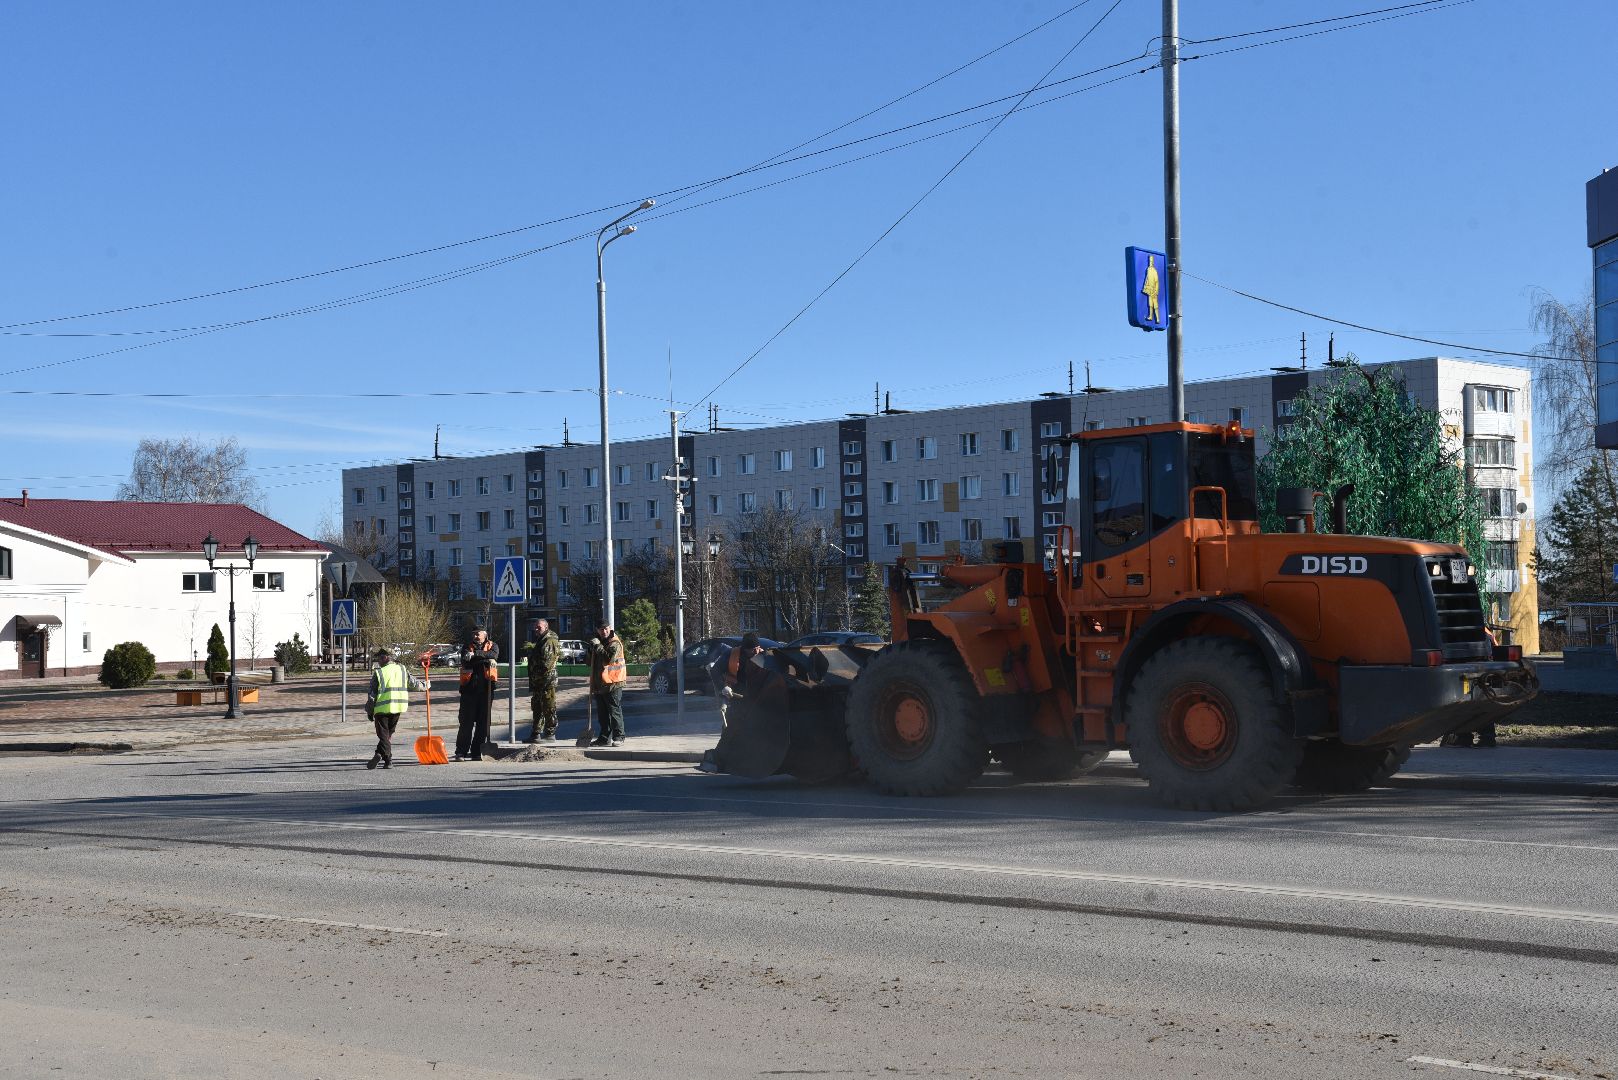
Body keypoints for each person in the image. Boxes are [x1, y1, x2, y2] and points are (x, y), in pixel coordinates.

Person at [698, 633, 765, 773]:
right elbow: (715, 671)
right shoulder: (731, 654)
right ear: (744, 648)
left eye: (755, 649)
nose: (753, 652)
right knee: (730, 728)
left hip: (755, 699)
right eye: (750, 650)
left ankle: (747, 759)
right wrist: (723, 687)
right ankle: (722, 759)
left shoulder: (763, 656)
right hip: (734, 697)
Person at [454, 628, 500, 761]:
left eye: (477, 633)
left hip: (486, 691)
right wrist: (485, 658)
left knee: (483, 724)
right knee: (466, 723)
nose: (475, 636)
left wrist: (475, 655)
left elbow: (494, 655)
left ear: (484, 634)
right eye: (473, 633)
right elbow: (466, 660)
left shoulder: (493, 645)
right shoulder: (466, 647)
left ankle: (476, 751)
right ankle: (461, 752)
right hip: (469, 691)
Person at [364, 647, 411, 770]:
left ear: (386, 658)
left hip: (382, 708)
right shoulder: (402, 669)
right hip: (398, 707)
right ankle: (379, 754)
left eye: (379, 658)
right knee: (388, 734)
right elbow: (413, 683)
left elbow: (372, 695)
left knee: (384, 736)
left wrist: (370, 711)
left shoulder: (379, 673)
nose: (378, 660)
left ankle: (388, 759)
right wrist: (426, 685)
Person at [587, 622, 626, 747]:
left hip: (613, 683)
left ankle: (619, 737)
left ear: (609, 629)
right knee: (602, 714)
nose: (603, 631)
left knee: (614, 711)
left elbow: (609, 659)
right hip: (600, 684)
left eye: (605, 629)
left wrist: (598, 646)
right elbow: (589, 662)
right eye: (601, 629)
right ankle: (604, 738)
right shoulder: (598, 643)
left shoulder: (615, 643)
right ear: (597, 630)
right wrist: (590, 650)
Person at [526, 618, 561, 744]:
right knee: (537, 707)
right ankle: (536, 733)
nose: (536, 629)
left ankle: (550, 733)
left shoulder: (550, 641)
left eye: (538, 627)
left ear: (546, 627)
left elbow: (546, 664)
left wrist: (535, 670)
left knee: (548, 707)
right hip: (538, 682)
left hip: (546, 681)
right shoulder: (542, 640)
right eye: (535, 627)